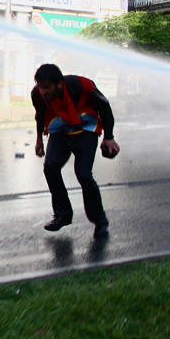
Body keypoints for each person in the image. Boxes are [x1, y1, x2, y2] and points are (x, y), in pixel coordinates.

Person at [31, 64, 120, 239]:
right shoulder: (37, 95)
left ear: (59, 84)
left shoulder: (83, 86)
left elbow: (105, 107)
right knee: (50, 166)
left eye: (46, 87)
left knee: (84, 175)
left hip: (85, 132)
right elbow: (40, 114)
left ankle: (100, 222)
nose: (42, 91)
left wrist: (108, 137)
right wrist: (39, 139)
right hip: (61, 132)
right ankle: (62, 214)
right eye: (40, 86)